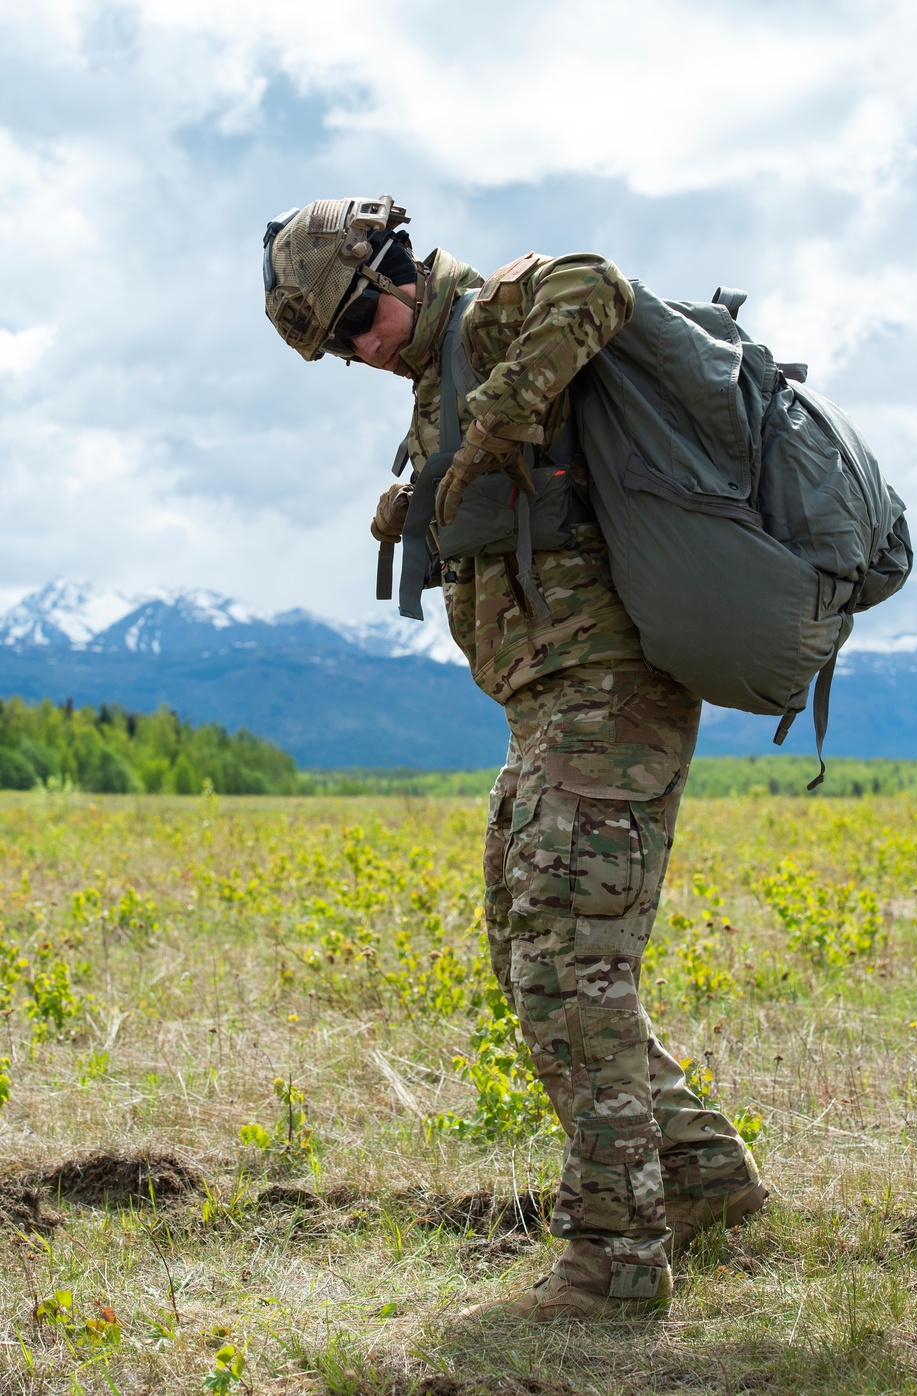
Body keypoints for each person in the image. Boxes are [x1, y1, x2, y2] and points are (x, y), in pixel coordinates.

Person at [263, 195, 767, 1322]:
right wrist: (430, 498)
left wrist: (499, 410)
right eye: (336, 349)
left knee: (567, 977)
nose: (355, 354)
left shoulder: (492, 315)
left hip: (607, 698)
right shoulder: (436, 378)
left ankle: (615, 1261)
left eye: (354, 325)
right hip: (545, 709)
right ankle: (702, 1177)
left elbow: (596, 279)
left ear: (392, 267)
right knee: (531, 961)